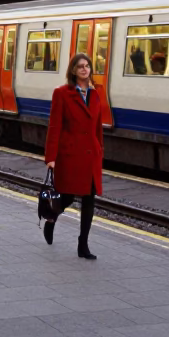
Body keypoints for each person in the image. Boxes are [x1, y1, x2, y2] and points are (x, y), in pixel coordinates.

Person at [42, 53, 107, 260]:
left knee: (89, 199)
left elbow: (97, 127)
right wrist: (50, 157)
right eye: (80, 66)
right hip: (70, 155)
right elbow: (55, 126)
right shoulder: (62, 93)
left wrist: (100, 150)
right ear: (73, 70)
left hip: (91, 156)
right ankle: (51, 219)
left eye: (87, 66)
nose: (84, 69)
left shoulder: (96, 95)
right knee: (67, 196)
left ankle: (83, 245)